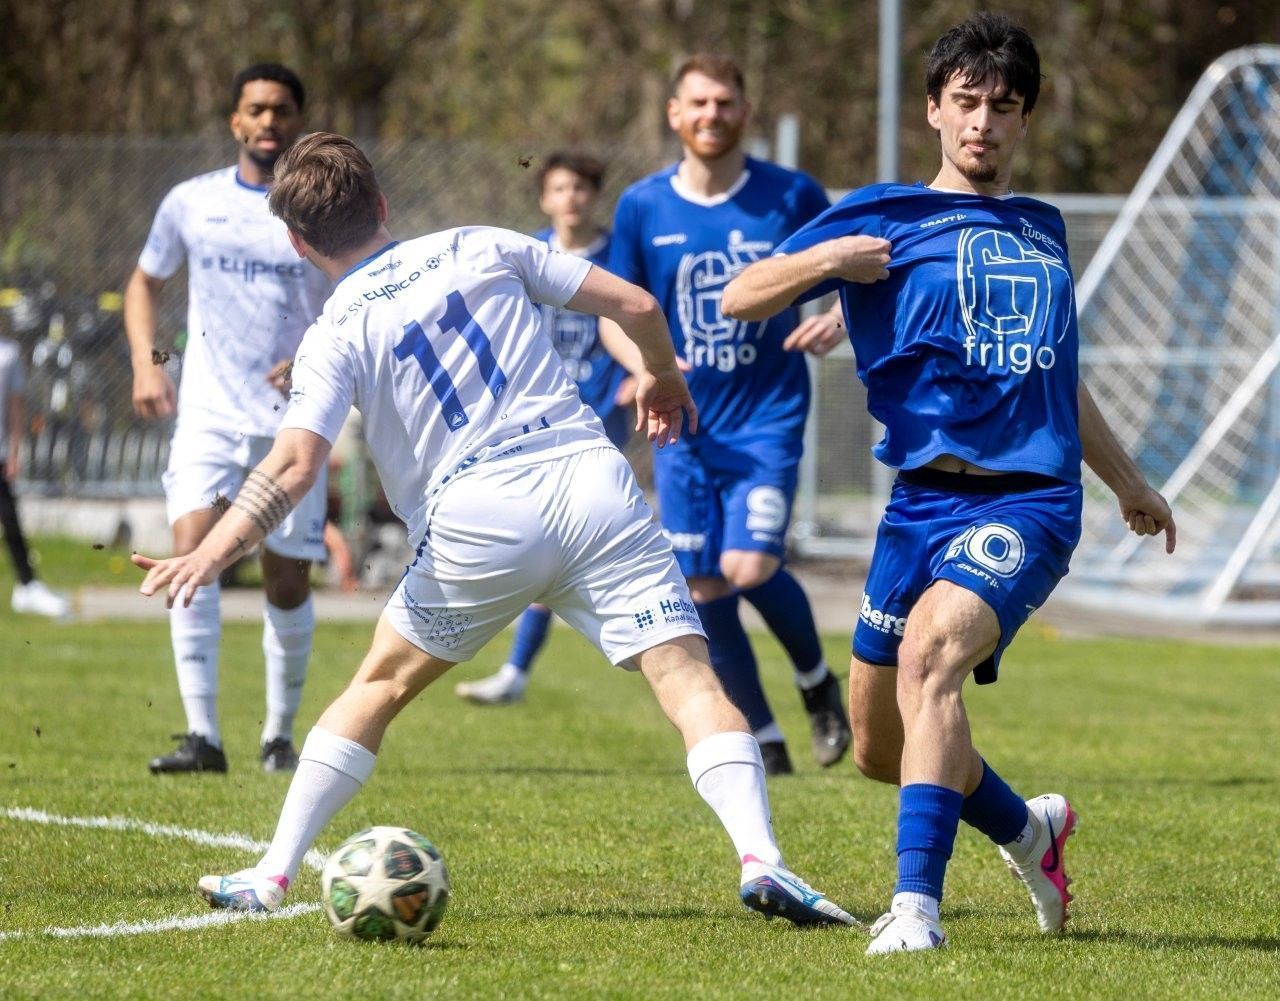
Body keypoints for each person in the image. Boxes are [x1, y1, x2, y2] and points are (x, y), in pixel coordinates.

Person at [132, 132, 855, 927]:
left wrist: (211, 547)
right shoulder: (479, 243)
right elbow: (639, 306)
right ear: (380, 204)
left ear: (299, 245)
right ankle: (764, 859)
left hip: (478, 523)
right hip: (590, 486)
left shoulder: (333, 329)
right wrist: (664, 376)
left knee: (377, 686)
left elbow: (296, 464)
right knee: (688, 680)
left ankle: (270, 875)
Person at [721, 12, 1175, 953]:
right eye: (965, 103)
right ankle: (1028, 829)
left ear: (1024, 122)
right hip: (918, 503)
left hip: (1029, 501)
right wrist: (828, 263)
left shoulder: (1043, 230)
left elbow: (1060, 377)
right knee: (883, 750)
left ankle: (915, 912)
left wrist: (1128, 480)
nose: (983, 123)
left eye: (1003, 108)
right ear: (933, 109)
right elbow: (742, 294)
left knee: (933, 659)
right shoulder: (884, 214)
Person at [602, 53, 851, 775]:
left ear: (745, 111)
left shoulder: (790, 196)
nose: (712, 115)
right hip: (682, 428)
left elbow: (863, 269)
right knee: (705, 584)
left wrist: (838, 316)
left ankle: (816, 684)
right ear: (675, 114)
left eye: (725, 102)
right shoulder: (643, 206)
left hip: (767, 416)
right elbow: (612, 313)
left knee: (748, 564)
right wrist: (647, 367)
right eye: (698, 104)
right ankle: (765, 740)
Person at [123, 63, 333, 775]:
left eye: (280, 109)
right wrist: (149, 363)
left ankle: (278, 737)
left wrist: (315, 353)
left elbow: (361, 287)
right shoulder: (190, 202)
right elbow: (144, 283)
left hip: (293, 421)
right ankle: (202, 737)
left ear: (298, 120)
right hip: (209, 413)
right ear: (235, 121)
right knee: (192, 556)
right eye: (255, 109)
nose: (267, 120)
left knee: (286, 580)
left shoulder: (322, 207)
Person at [455, 151, 635, 705]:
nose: (571, 198)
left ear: (594, 195)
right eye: (559, 188)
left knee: (563, 540)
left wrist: (640, 368)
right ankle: (521, 670)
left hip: (600, 414)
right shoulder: (526, 252)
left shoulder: (617, 255)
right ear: (544, 199)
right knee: (559, 541)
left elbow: (635, 315)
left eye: (581, 187)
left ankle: (520, 670)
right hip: (534, 417)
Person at [0, 334, 72, 618]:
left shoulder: (8, 353)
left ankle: (27, 586)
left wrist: (15, 451)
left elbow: (16, 406)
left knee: (10, 521)